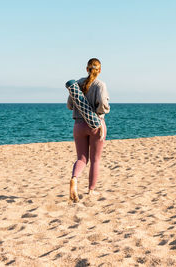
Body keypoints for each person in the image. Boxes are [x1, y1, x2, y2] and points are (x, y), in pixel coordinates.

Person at [67, 58, 110, 202]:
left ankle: (74, 178)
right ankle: (91, 191)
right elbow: (103, 104)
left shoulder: (77, 84)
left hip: (78, 125)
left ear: (87, 69)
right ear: (100, 70)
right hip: (95, 125)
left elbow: (69, 105)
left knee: (81, 158)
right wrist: (101, 112)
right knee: (95, 160)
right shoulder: (100, 85)